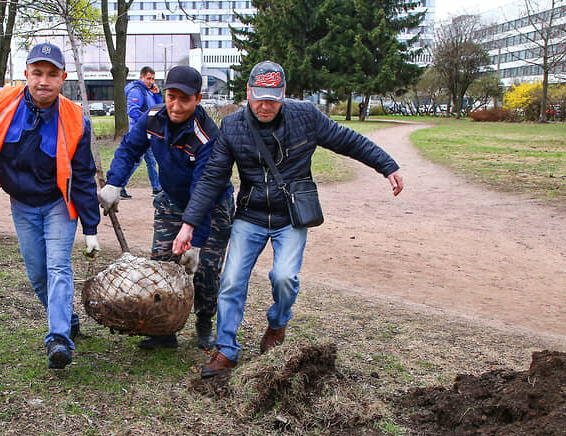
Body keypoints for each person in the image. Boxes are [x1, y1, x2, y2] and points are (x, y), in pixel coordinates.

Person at [173, 61, 405, 378]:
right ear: (248, 93)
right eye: (259, 97)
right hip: (251, 215)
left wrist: (387, 165)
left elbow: (347, 140)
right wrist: (188, 225)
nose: (265, 105)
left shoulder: (305, 116)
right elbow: (213, 178)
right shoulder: (233, 126)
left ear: (284, 94)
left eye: (273, 98)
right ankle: (226, 350)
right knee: (230, 282)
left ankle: (278, 323)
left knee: (284, 277)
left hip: (291, 216)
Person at [0, 42, 101, 370]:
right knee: (37, 274)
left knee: (58, 267)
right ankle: (66, 318)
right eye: (37, 73)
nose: (44, 81)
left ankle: (58, 338)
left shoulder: (75, 119)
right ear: (25, 74)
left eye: (52, 75)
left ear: (63, 78)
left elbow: (83, 175)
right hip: (22, 204)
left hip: (59, 203)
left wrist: (92, 228)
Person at [100, 66, 233, 351]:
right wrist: (114, 183)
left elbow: (205, 192)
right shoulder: (152, 119)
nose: (175, 105)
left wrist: (196, 240)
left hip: (213, 207)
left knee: (205, 270)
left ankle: (205, 322)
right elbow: (129, 148)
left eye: (184, 99)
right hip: (171, 201)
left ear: (198, 99)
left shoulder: (207, 137)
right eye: (171, 96)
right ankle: (164, 331)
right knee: (161, 265)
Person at [120, 66, 163, 199]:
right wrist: (147, 122)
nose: (151, 81)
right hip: (139, 133)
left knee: (151, 160)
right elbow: (132, 111)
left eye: (153, 79)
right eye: (148, 78)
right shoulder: (137, 92)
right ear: (141, 77)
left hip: (148, 132)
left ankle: (156, 187)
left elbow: (157, 108)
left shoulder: (147, 91)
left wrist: (157, 95)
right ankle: (120, 186)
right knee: (136, 161)